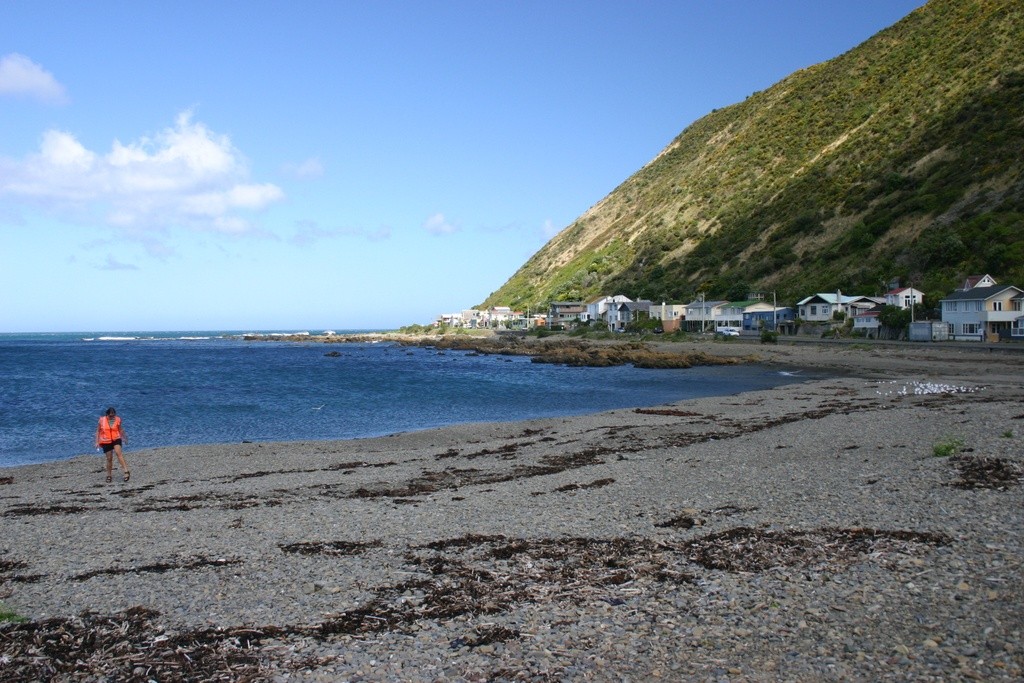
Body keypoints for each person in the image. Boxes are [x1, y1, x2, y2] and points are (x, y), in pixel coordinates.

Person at [95, 407, 130, 483]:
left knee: (118, 453)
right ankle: (109, 475)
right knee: (109, 458)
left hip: (116, 438)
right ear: (107, 414)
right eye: (110, 416)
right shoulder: (102, 420)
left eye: (113, 415)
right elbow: (98, 431)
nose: (112, 417)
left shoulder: (117, 419)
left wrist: (125, 438)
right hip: (106, 441)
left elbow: (120, 429)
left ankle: (126, 471)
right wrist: (96, 442)